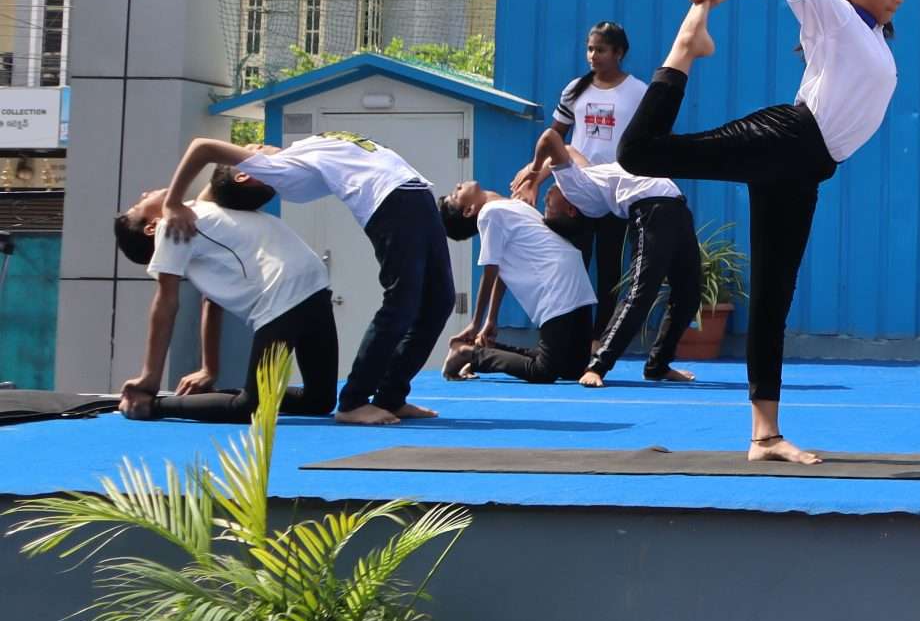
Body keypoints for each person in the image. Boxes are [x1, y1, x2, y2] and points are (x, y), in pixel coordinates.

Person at [615, 0, 902, 463]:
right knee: (638, 153)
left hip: (808, 169)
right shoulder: (835, 14)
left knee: (774, 298)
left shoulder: (865, 27)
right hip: (787, 138)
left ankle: (764, 436)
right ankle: (685, 47)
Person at [157, 131, 453, 422]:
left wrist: (214, 189)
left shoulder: (298, 156)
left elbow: (220, 184)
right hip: (391, 199)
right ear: (247, 175)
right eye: (252, 148)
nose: (255, 145)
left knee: (440, 301)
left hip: (415, 191)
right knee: (402, 302)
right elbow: (203, 147)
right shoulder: (278, 170)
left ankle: (391, 397)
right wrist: (173, 202)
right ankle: (354, 401)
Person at [108, 168, 346, 422]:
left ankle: (221, 399)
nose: (144, 193)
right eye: (139, 204)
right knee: (256, 406)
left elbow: (209, 304)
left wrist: (209, 369)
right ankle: (152, 406)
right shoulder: (173, 225)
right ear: (151, 228)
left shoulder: (200, 207)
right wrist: (150, 377)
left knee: (316, 401)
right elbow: (168, 302)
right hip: (292, 292)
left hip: (309, 289)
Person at [518, 130, 699, 386]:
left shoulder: (583, 181)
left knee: (689, 294)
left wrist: (536, 175)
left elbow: (568, 150)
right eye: (549, 206)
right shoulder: (573, 188)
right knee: (640, 293)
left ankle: (658, 365)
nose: (546, 199)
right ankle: (597, 366)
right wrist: (535, 174)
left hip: (676, 207)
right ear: (570, 209)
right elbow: (549, 137)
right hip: (652, 211)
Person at [439, 182, 598, 384]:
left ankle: (476, 353)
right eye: (456, 193)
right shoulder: (490, 213)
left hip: (569, 279)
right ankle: (470, 355)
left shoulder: (508, 205)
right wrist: (478, 322)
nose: (458, 185)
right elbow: (491, 271)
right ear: (469, 210)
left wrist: (490, 320)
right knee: (544, 371)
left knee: (572, 368)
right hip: (558, 284)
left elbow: (499, 269)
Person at [550, 21, 645, 302]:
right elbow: (555, 137)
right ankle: (571, 332)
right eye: (590, 49)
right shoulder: (574, 90)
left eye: (601, 50)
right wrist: (534, 173)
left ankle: (600, 337)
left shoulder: (638, 91)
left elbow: (650, 139)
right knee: (571, 262)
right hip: (577, 191)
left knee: (610, 269)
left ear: (619, 52)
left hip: (616, 192)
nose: (593, 55)